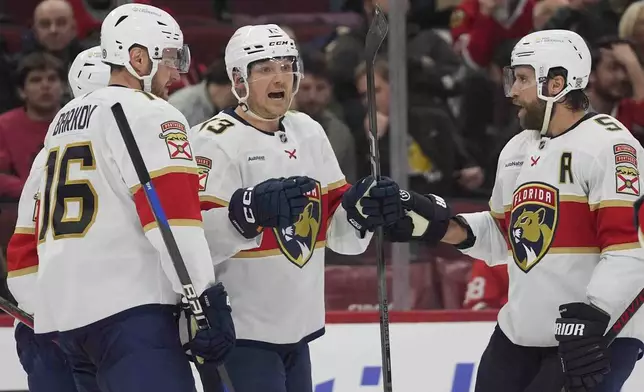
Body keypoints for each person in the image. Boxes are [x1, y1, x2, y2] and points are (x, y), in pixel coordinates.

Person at [386, 29, 644, 392]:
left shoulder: (611, 145)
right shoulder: (517, 149)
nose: (512, 91)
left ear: (557, 83)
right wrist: (436, 224)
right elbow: (504, 235)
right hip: (520, 332)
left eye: (522, 78)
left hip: (593, 333)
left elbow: (629, 251)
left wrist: (595, 314)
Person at [16, 4, 234, 391]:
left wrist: (39, 306)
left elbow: (27, 236)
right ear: (138, 58)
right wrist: (203, 297)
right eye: (169, 58)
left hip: (68, 324)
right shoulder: (148, 111)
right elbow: (173, 220)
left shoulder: (61, 122)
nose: (175, 72)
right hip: (130, 316)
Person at [189, 24, 403, 392]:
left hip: (297, 330)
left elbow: (340, 237)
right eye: (265, 68)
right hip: (240, 333)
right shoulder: (211, 141)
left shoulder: (308, 130)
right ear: (239, 77)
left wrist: (360, 211)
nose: (281, 77)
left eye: (287, 65)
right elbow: (194, 244)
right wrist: (248, 215)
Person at [6, 46, 109, 392]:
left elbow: (22, 255)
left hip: (61, 317)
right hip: (88, 324)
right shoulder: (128, 144)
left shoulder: (51, 148)